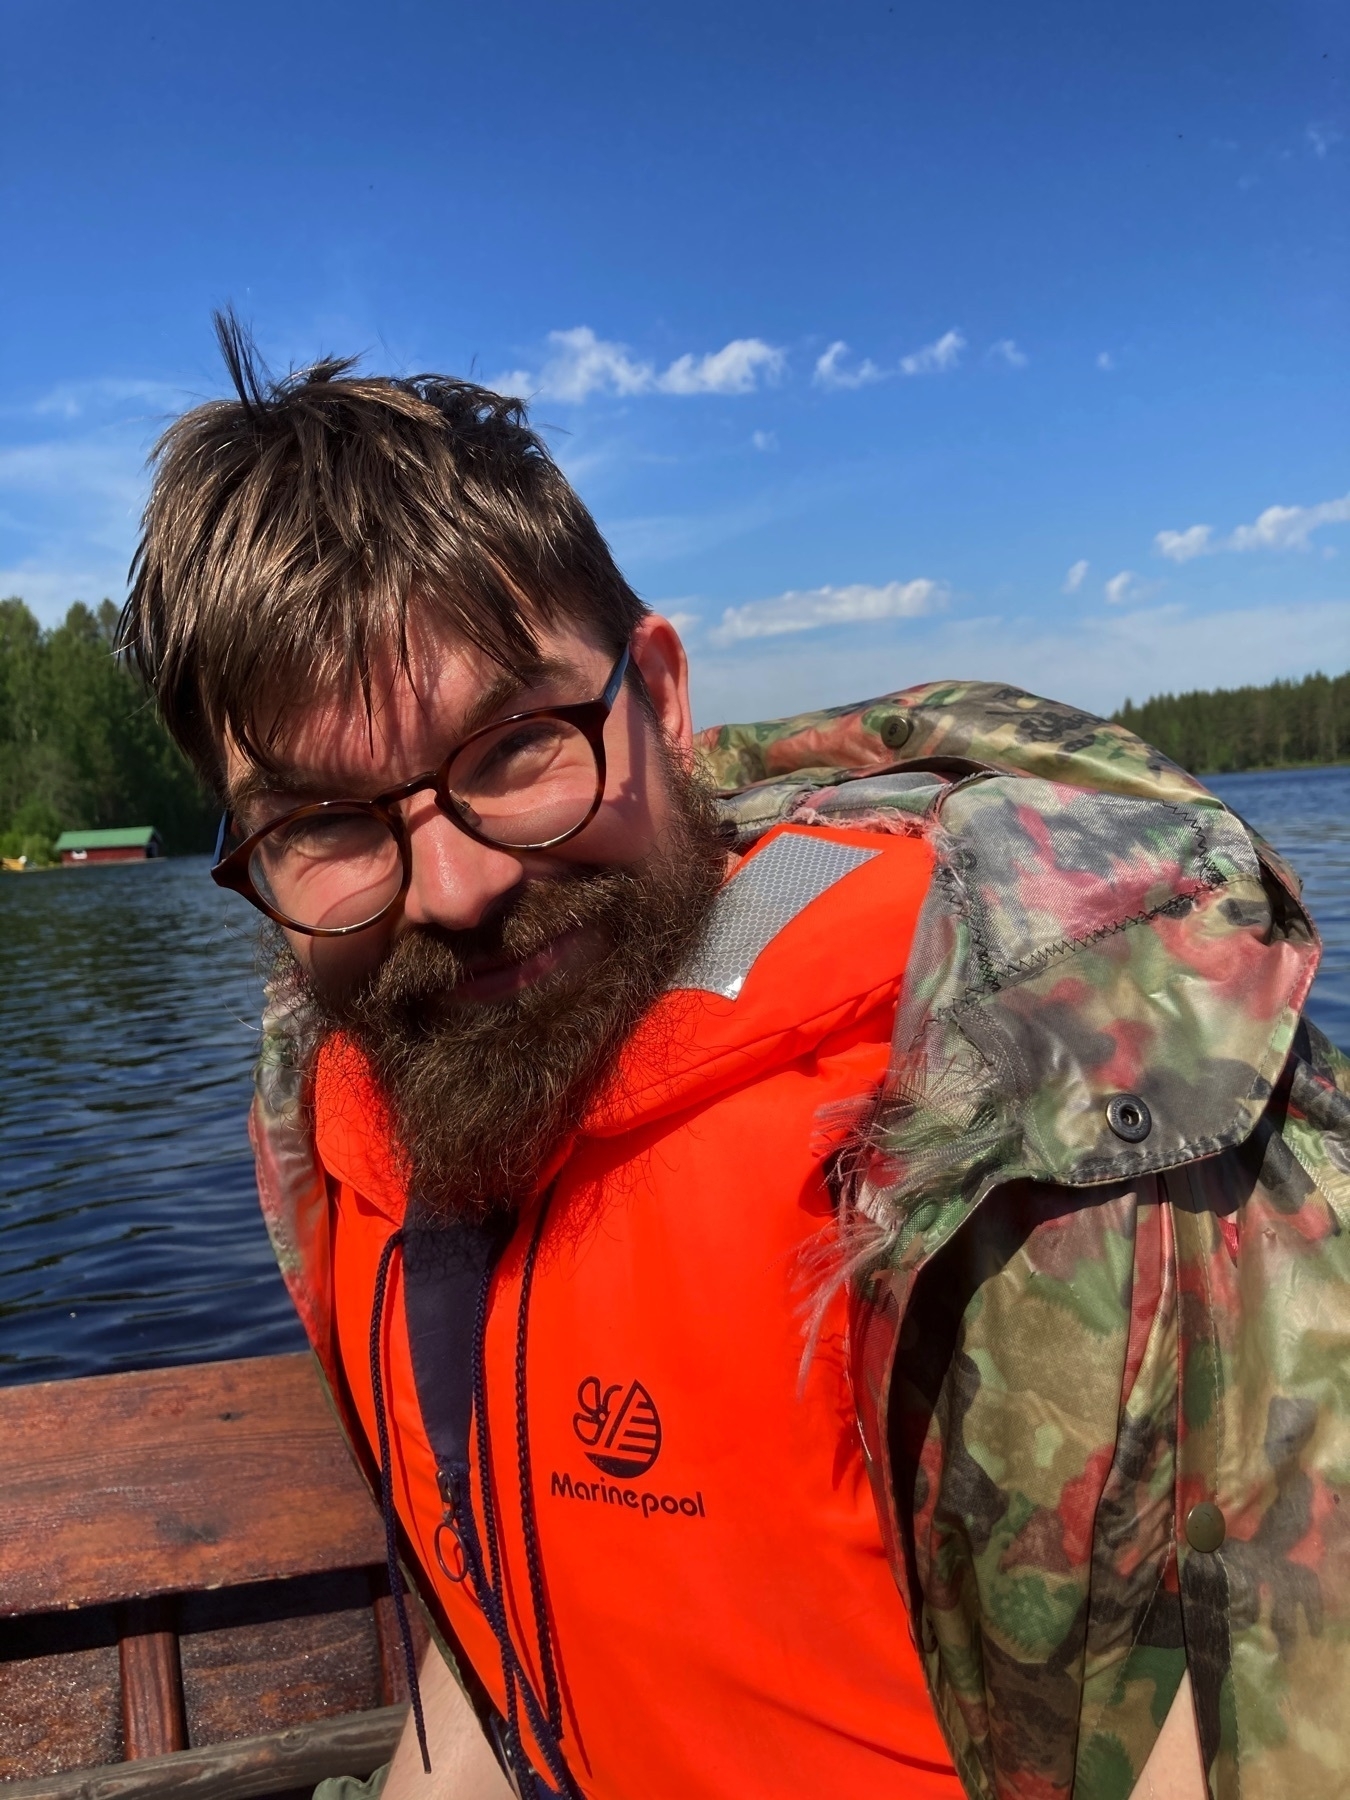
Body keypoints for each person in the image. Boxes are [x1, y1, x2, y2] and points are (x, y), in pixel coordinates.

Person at [119, 318, 1350, 1800]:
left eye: (513, 747)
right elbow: (493, 1654)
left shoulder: (1053, 1141)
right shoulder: (349, 1107)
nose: (449, 889)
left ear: (658, 690)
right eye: (321, 823)